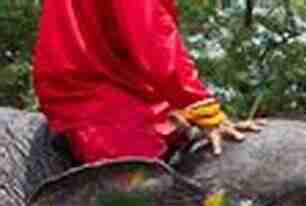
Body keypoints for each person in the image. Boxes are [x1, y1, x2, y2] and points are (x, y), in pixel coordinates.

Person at [32, 0, 260, 163]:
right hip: (94, 96)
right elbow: (152, 34)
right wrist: (202, 107)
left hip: (126, 84)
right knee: (140, 199)